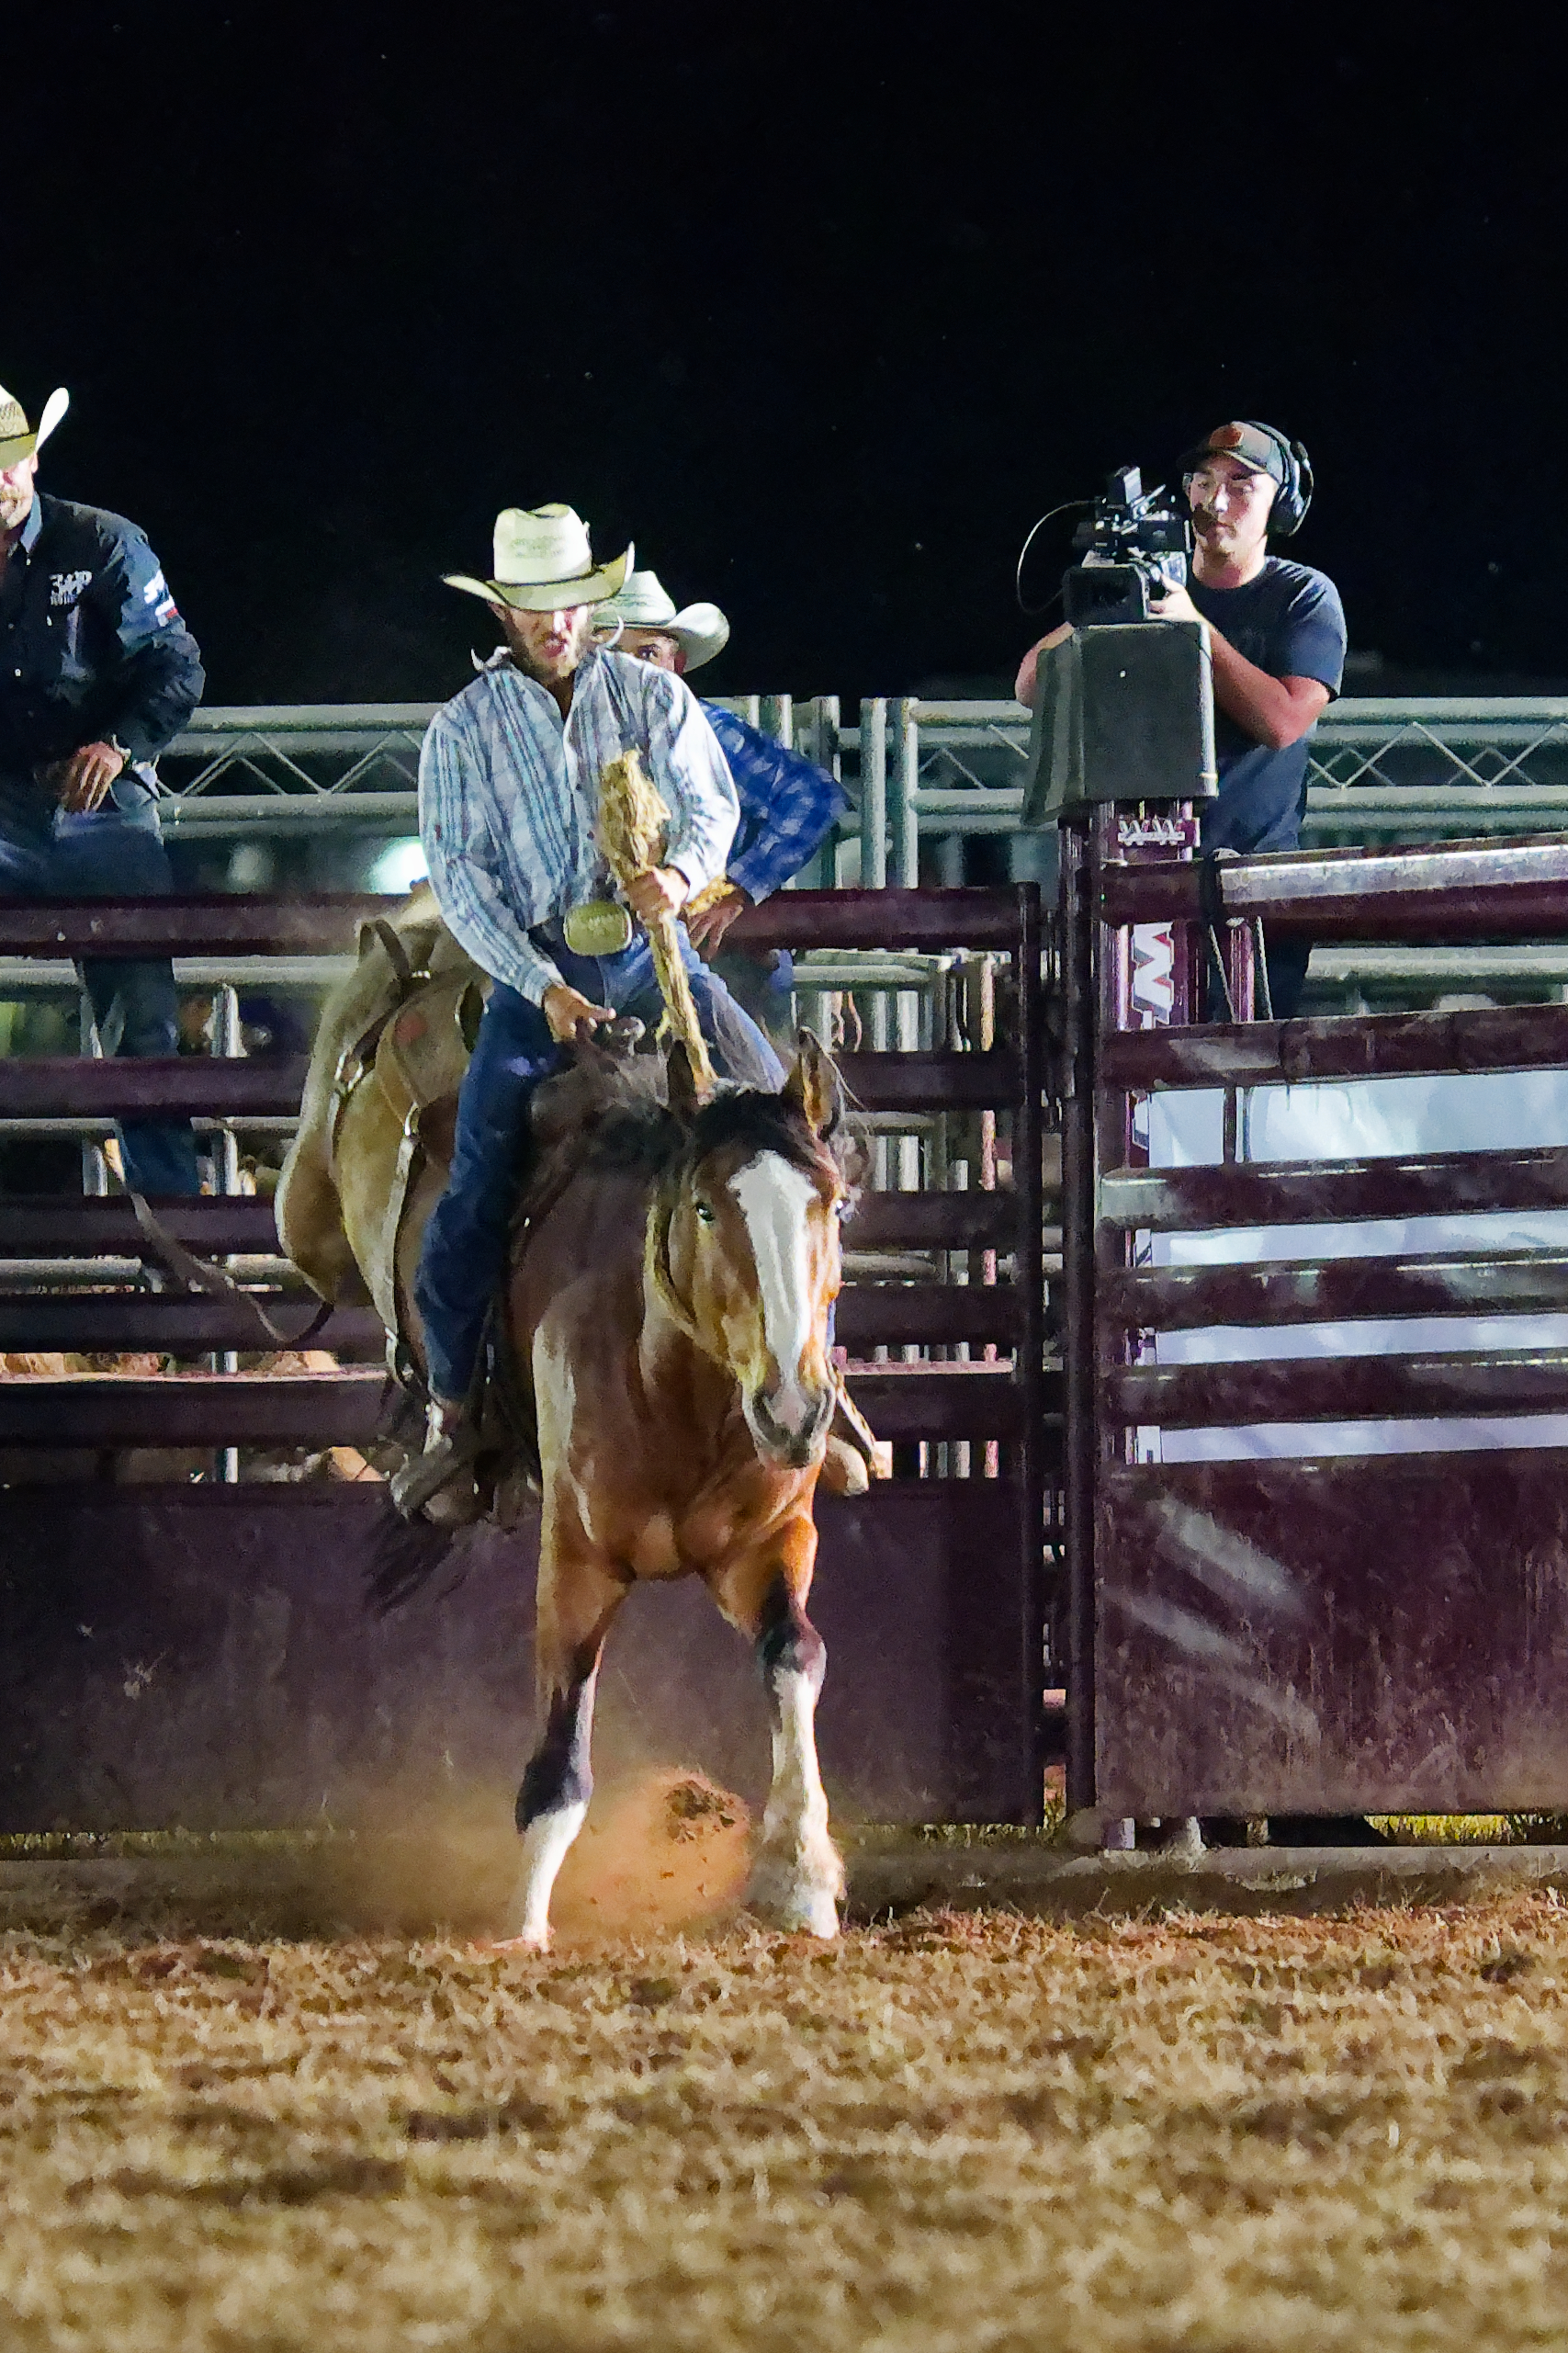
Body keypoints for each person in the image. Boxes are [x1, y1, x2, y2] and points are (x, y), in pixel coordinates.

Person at [406, 503, 786, 1510]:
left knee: (783, 1127)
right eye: (536, 608)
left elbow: (712, 806)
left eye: (570, 604)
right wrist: (541, 988)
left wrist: (683, 873)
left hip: (653, 960)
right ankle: (453, 1404)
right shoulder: (463, 729)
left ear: (591, 601)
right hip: (538, 974)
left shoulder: (650, 697)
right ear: (506, 614)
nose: (557, 624)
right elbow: (464, 880)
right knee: (478, 1184)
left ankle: (812, 1379)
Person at [1017, 421, 1347, 1017]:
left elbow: (1282, 721)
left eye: (1241, 484)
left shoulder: (1303, 596)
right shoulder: (1153, 590)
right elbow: (1029, 685)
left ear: (1282, 503)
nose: (1215, 501)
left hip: (1248, 891)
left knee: (1238, 1081)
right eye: (1202, 480)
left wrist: (1195, 631)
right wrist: (1105, 597)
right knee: (1126, 1087)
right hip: (1133, 891)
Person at [0, 381, 206, 1192]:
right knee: (139, 1018)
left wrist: (118, 745)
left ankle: (177, 1244)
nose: (4, 479)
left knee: (142, 1023)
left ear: (34, 458)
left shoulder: (103, 543)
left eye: (12, 461)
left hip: (98, 803)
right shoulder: (98, 542)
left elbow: (175, 661)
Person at [592, 567, 846, 1049]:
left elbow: (812, 797)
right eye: (613, 657)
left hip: (718, 956)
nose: (632, 673)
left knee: (750, 1080)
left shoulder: (708, 733)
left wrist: (737, 888)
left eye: (647, 654)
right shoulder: (577, 744)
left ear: (676, 663)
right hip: (617, 952)